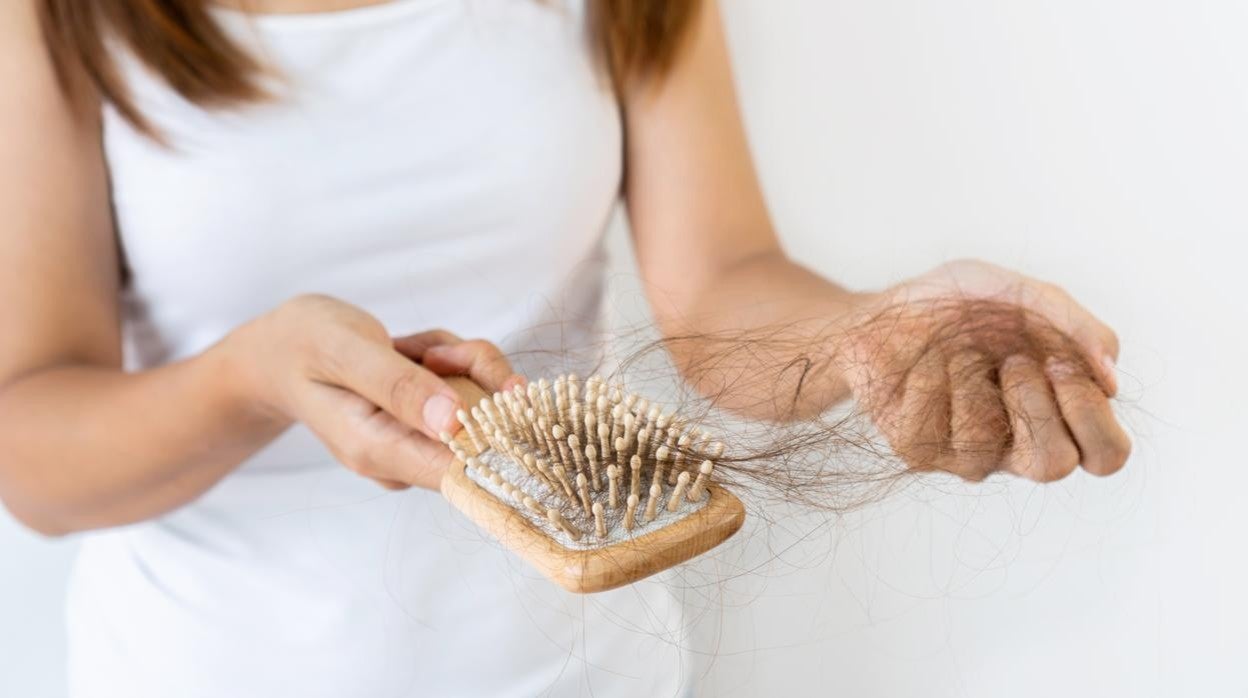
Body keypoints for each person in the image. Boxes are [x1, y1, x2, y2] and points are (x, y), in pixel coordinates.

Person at [0, 0, 1131, 695]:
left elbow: (724, 286)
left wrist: (879, 326)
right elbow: (31, 447)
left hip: (579, 674)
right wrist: (252, 379)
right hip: (201, 672)